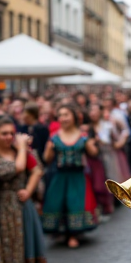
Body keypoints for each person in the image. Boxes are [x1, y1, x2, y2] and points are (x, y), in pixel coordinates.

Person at [42, 103, 99, 248]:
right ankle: (63, 232)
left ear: (73, 117)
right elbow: (47, 159)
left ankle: (74, 234)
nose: (63, 118)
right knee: (58, 203)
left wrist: (92, 143)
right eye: (60, 115)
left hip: (77, 175)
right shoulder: (54, 137)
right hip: (60, 176)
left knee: (75, 203)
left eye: (66, 115)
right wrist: (48, 149)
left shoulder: (83, 136)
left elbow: (93, 154)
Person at [0, 115, 46, 263]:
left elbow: (37, 170)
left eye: (11, 133)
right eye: (4, 133)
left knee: (27, 247)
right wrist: (23, 148)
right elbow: (16, 168)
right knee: (6, 250)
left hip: (23, 208)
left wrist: (29, 190)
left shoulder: (18, 151)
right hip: (0, 210)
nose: (9, 137)